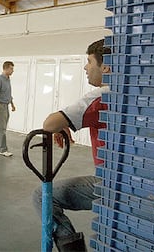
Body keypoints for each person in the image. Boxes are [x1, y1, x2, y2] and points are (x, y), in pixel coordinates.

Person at [32, 39, 111, 251]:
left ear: (105, 67)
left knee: (42, 196)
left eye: (89, 62)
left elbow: (50, 123)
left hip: (112, 185)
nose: (86, 68)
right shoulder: (137, 92)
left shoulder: (101, 97)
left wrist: (62, 125)